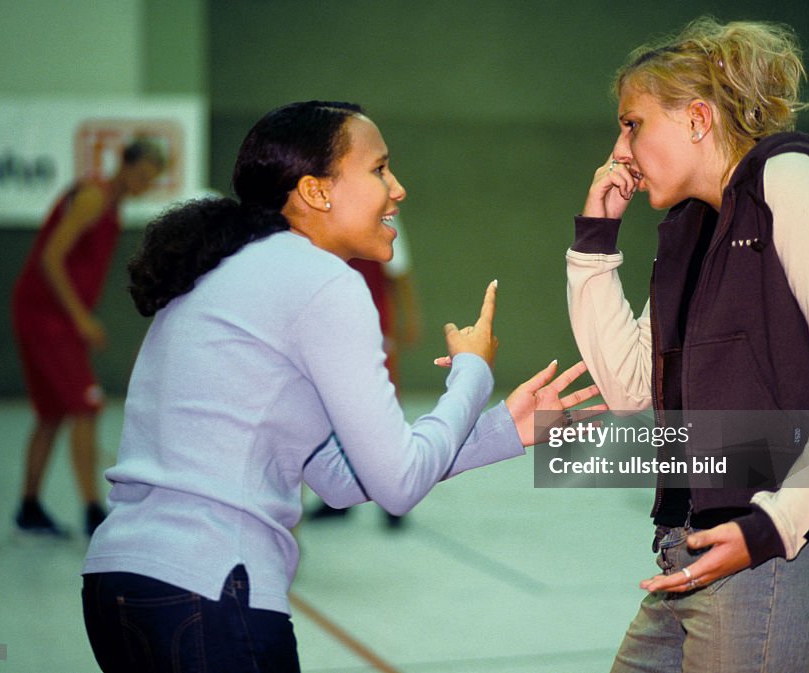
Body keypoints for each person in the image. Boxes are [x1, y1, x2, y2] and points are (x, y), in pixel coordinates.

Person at [81, 100, 601, 672]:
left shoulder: (224, 268)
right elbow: (399, 484)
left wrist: (502, 430)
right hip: (212, 592)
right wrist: (473, 374)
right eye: (379, 169)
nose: (397, 188)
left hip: (120, 587)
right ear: (316, 191)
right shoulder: (323, 281)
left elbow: (336, 476)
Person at [565, 18, 809, 672]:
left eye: (632, 122)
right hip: (688, 557)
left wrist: (771, 525)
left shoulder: (794, 184)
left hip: (772, 564)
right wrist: (594, 243)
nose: (620, 149)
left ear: (696, 119)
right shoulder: (690, 227)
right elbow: (629, 386)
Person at [12, 138, 167, 538]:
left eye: (151, 181)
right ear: (126, 165)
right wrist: (81, 318)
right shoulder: (94, 198)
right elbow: (50, 257)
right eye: (143, 176)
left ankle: (29, 506)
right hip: (48, 317)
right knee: (86, 405)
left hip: (49, 315)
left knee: (51, 413)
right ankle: (92, 509)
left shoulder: (110, 204)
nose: (144, 186)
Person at [310, 213, 422, 527]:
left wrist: (409, 317)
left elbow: (399, 272)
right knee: (333, 410)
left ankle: (394, 497)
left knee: (382, 412)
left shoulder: (383, 218)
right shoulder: (323, 215)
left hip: (375, 326)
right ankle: (338, 494)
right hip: (333, 326)